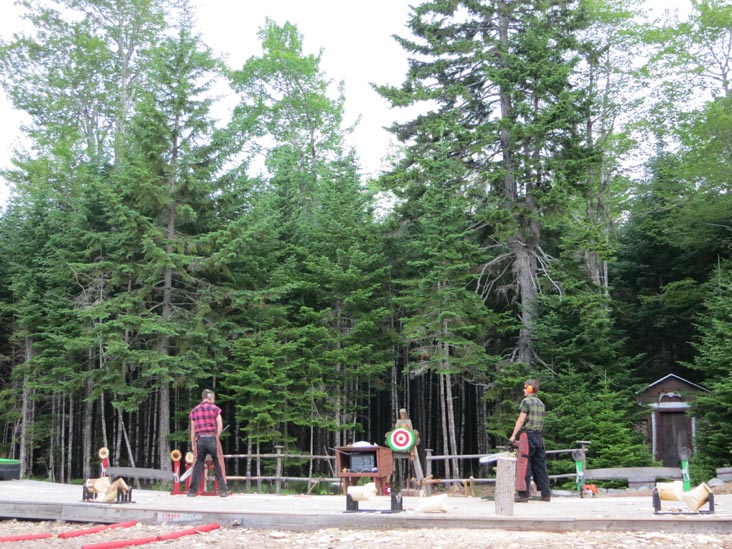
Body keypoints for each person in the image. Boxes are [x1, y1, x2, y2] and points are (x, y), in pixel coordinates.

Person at [509, 379, 551, 502]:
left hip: (528, 436)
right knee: (540, 466)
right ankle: (546, 494)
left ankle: (523, 494)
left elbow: (521, 420)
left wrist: (513, 436)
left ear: (530, 389)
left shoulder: (526, 401)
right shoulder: (541, 403)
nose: (523, 390)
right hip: (539, 437)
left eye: (525, 387)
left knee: (524, 464)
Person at [187, 389, 228, 497]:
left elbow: (193, 430)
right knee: (218, 463)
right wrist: (216, 437)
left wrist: (193, 444)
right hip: (212, 438)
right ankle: (223, 490)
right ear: (210, 397)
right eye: (213, 398)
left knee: (197, 464)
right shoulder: (216, 409)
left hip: (200, 439)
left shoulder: (194, 410)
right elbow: (220, 425)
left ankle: (192, 491)